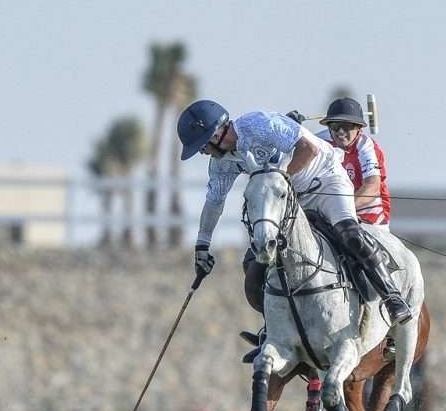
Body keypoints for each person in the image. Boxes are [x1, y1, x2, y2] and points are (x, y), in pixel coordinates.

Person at [176, 99, 412, 334]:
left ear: (216, 133)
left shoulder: (259, 124)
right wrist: (202, 245)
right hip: (291, 197)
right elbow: (214, 202)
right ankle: (278, 330)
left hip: (325, 179)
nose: (202, 151)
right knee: (256, 261)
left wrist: (280, 178)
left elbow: (309, 149)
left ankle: (392, 297)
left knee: (349, 235)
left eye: (201, 145)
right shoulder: (221, 164)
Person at [317, 97, 391, 229]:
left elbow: (373, 187)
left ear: (359, 128)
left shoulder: (366, 146)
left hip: (367, 211)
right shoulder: (319, 141)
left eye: (347, 126)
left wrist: (344, 209)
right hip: (329, 209)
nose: (340, 132)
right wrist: (292, 125)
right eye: (335, 126)